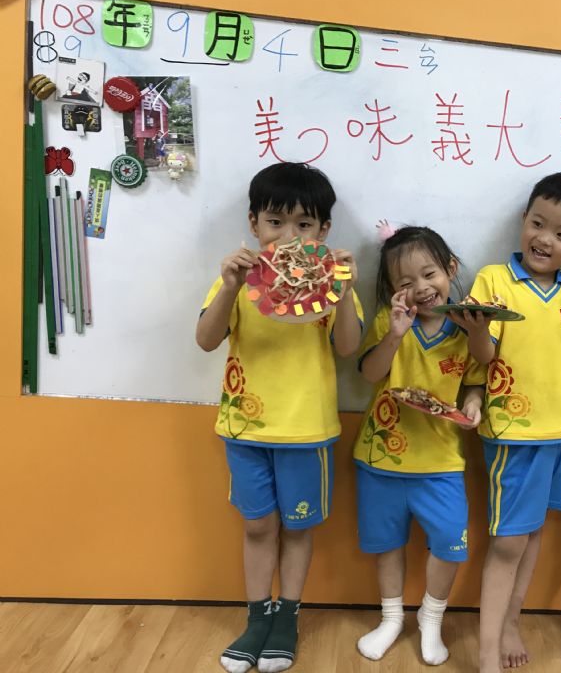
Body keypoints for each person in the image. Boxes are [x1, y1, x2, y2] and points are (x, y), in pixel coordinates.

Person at [196, 162, 363, 673]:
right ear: (254, 223)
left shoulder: (327, 282)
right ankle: (256, 619)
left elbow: (348, 347)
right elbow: (206, 340)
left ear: (323, 231)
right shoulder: (239, 280)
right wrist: (230, 286)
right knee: (257, 526)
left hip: (307, 430)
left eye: (304, 225)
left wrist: (345, 290)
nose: (288, 236)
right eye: (275, 222)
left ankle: (287, 616)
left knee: (297, 527)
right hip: (244, 428)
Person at [459, 172, 561, 672]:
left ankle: (510, 622)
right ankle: (486, 652)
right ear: (524, 219)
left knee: (532, 532)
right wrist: (477, 330)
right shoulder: (493, 280)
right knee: (508, 541)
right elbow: (483, 356)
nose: (544, 238)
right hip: (514, 434)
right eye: (538, 223)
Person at [354, 225, 486, 666]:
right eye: (406, 282)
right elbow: (370, 375)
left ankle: (431, 619)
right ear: (394, 290)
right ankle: (391, 618)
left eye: (429, 274)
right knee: (386, 543)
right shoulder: (387, 321)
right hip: (381, 458)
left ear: (450, 269)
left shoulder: (465, 328)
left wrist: (472, 403)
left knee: (449, 541)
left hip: (441, 461)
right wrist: (395, 334)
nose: (422, 288)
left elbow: (476, 378)